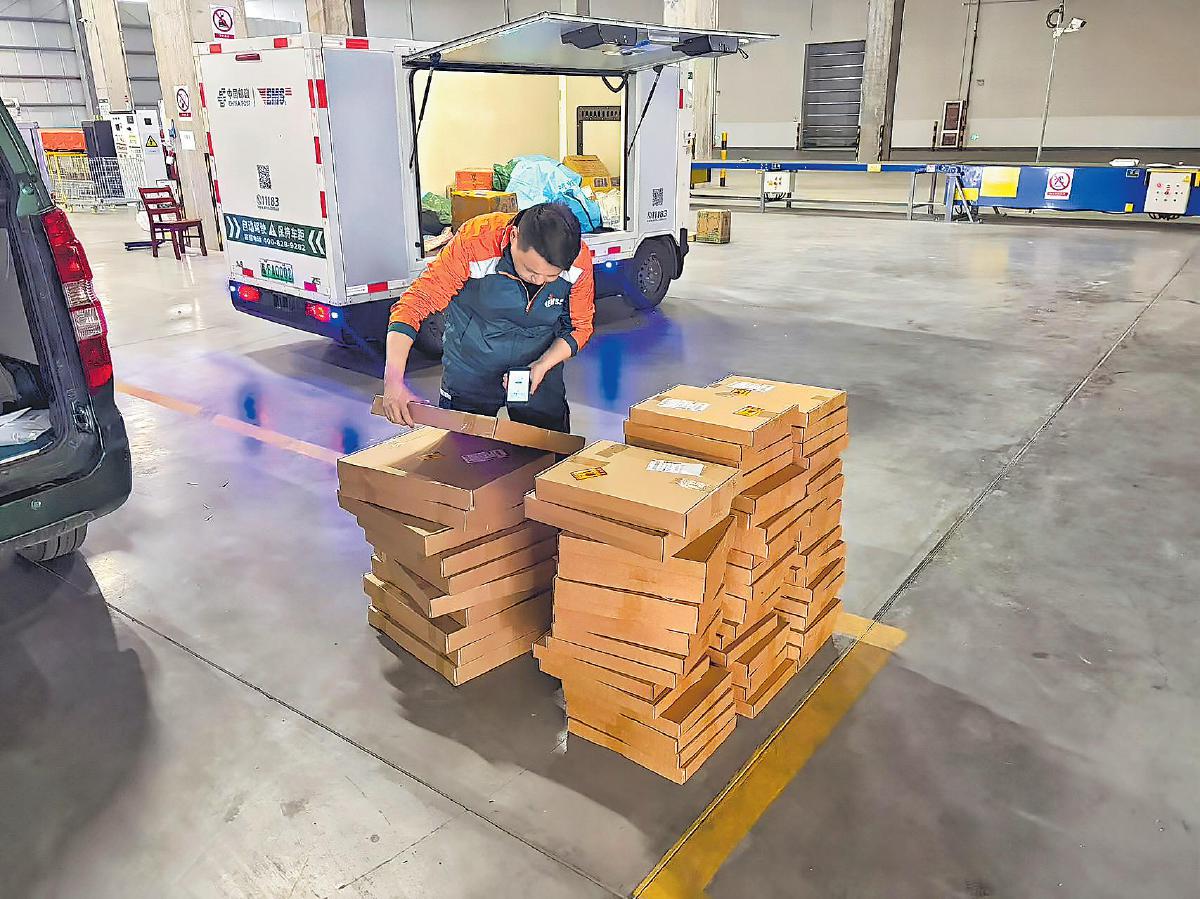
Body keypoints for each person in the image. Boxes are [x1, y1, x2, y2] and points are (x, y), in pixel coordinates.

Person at [380, 203, 595, 434]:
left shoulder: (577, 260)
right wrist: (393, 380)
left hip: (537, 372)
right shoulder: (475, 242)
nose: (539, 281)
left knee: (550, 448)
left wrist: (543, 365)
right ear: (514, 236)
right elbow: (414, 304)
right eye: (531, 271)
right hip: (471, 369)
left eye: (552, 276)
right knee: (460, 450)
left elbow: (579, 326)